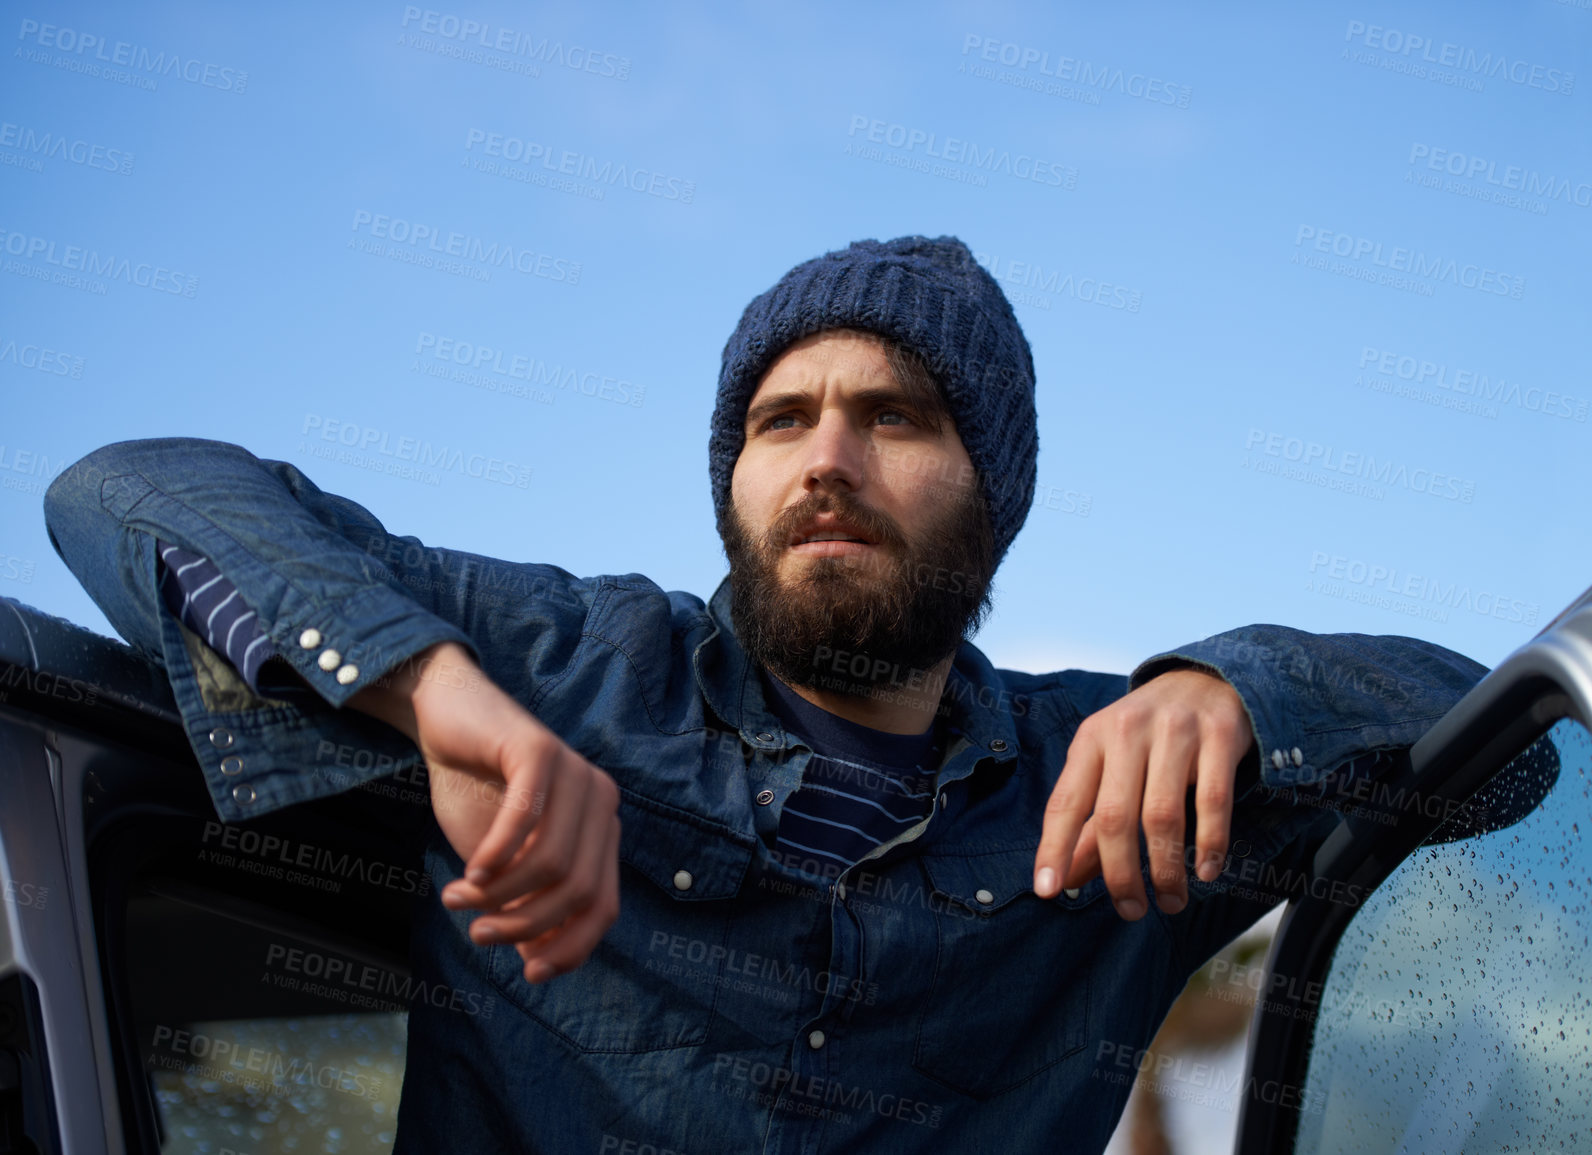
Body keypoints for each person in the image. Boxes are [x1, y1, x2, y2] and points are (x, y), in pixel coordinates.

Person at [43, 235, 1486, 1153]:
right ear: (733, 482)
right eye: (781, 420)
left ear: (997, 495)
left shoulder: (1105, 785)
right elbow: (127, 491)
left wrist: (1227, 690)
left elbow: (1501, 743)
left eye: (895, 418)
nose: (826, 459)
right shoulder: (562, 665)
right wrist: (432, 698)